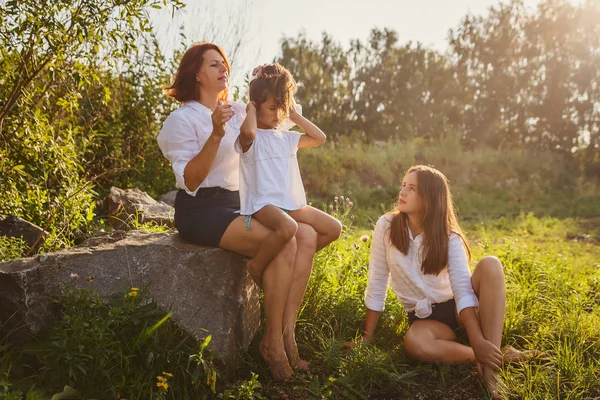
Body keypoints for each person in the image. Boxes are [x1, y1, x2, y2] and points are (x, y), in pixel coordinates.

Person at [156, 42, 317, 380]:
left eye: (224, 64)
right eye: (213, 65)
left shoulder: (243, 110)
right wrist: (215, 133)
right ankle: (272, 344)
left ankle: (287, 333)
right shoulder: (181, 120)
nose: (223, 69)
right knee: (285, 240)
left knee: (308, 233)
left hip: (240, 201)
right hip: (203, 209)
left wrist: (269, 79)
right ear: (196, 74)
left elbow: (284, 116)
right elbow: (191, 181)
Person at [356, 165, 541, 398]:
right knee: (414, 343)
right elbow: (377, 280)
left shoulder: (449, 237)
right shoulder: (387, 226)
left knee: (491, 264)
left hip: (457, 309)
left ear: (429, 198)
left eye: (411, 188)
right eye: (403, 185)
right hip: (424, 319)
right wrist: (367, 338)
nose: (402, 192)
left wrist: (475, 335)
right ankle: (495, 355)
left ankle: (490, 373)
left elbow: (463, 291)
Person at [236, 63, 342, 284]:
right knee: (288, 227)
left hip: (289, 204)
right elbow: (247, 131)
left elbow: (319, 138)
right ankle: (255, 266)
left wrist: (294, 116)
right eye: (272, 108)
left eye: (281, 108)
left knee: (334, 228)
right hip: (262, 205)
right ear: (257, 108)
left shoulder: (287, 138)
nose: (278, 115)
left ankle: (293, 258)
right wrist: (250, 110)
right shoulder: (252, 138)